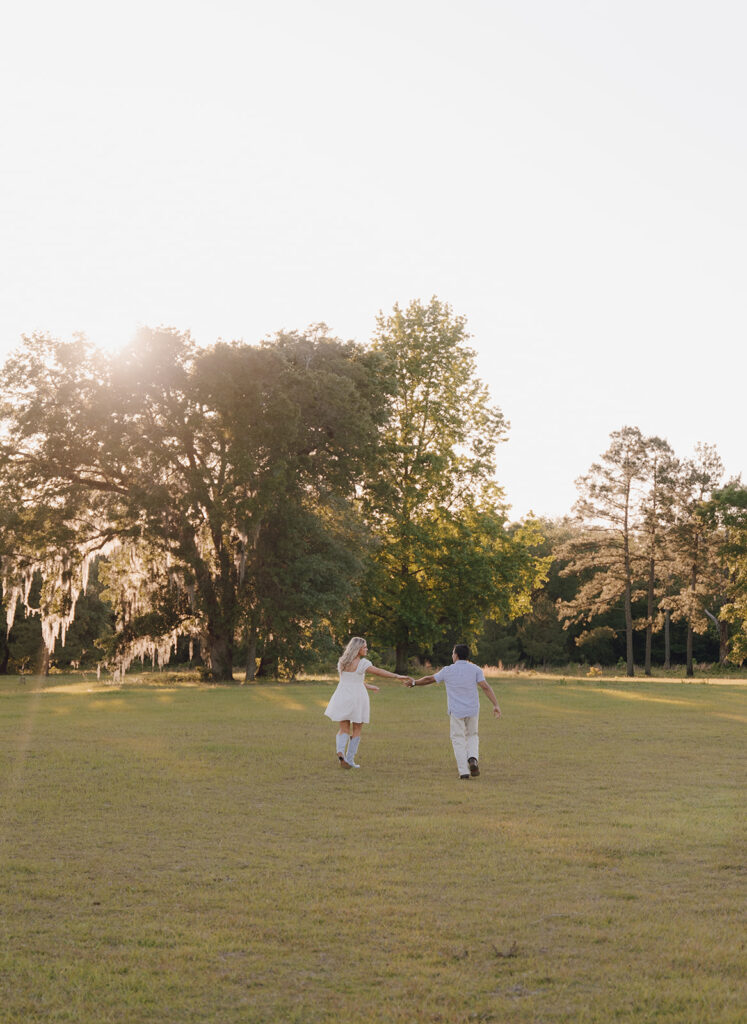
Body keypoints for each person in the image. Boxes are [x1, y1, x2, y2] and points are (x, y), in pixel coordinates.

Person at [405, 643, 501, 779]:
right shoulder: (475, 669)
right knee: (473, 735)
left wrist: (414, 682)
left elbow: (430, 679)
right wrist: (495, 704)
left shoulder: (448, 670)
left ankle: (464, 772)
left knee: (458, 739)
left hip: (456, 710)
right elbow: (485, 687)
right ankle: (473, 758)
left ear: (456, 655)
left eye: (452, 653)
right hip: (472, 709)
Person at [324, 637, 412, 768]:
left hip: (342, 695)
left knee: (344, 728)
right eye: (364, 647)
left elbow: (351, 680)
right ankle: (350, 759)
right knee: (357, 728)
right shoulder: (363, 663)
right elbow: (379, 672)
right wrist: (397, 676)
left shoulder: (342, 662)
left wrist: (370, 686)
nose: (367, 649)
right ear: (357, 648)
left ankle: (340, 752)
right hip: (357, 697)